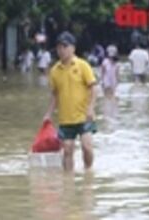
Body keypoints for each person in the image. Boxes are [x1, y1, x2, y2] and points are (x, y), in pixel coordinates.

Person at [43, 31, 97, 172]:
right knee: (67, 150)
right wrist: (48, 114)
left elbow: (93, 88)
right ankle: (68, 182)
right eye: (59, 47)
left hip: (83, 116)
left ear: (73, 48)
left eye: (65, 47)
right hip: (65, 118)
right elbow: (55, 95)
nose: (61, 50)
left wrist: (91, 108)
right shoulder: (54, 71)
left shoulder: (82, 65)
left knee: (87, 147)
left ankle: (88, 171)